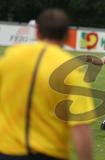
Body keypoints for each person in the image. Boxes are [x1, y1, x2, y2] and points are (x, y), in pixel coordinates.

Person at [0, 9, 94, 160]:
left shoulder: (11, 56)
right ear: (67, 36)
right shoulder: (72, 69)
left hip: (7, 152)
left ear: (37, 32)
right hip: (50, 154)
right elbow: (80, 126)